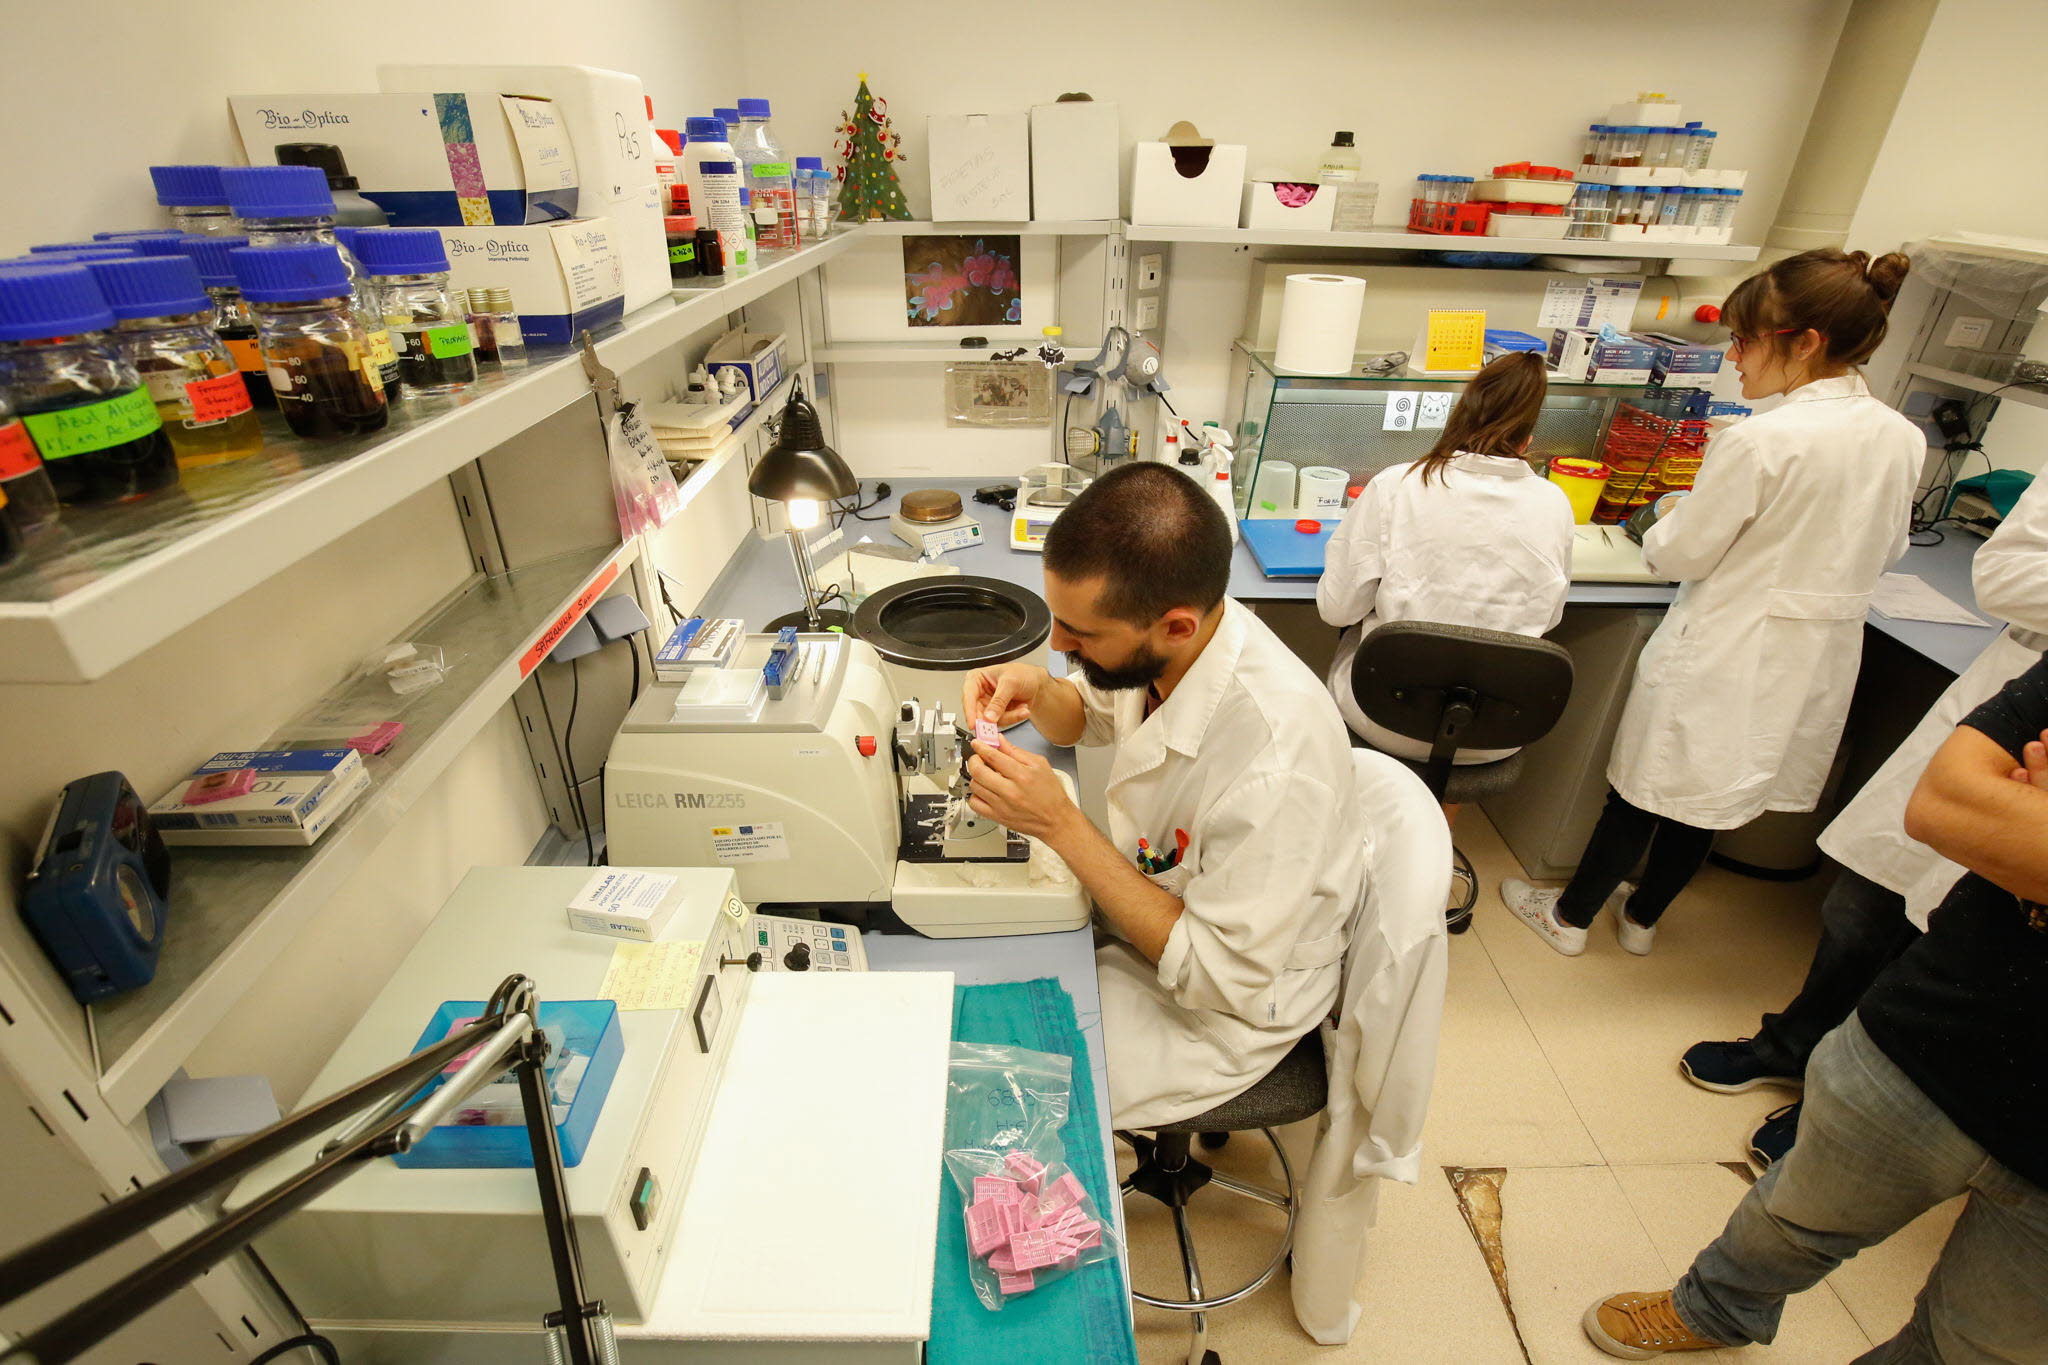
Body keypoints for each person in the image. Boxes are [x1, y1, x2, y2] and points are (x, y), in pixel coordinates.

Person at [1581, 655, 2048, 1360]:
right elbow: (1945, 804)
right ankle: (1713, 1308)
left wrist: (2026, 827)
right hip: (1936, 1033)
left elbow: (1993, 818)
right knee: (1794, 1215)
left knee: (1972, 1348)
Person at [1503, 249, 1922, 958]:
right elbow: (1889, 550)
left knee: (1645, 788)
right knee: (1717, 793)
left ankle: (1569, 919)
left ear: (1807, 342)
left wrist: (1666, 513)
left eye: (1745, 339)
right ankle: (1643, 919)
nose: (1734, 357)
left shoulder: (1763, 439)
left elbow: (1680, 552)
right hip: (1810, 654)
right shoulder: (1901, 437)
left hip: (1731, 639)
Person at [958, 462, 1364, 1129]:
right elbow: (1091, 711)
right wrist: (1040, 688)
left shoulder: (1275, 755)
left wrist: (1059, 823)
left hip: (1225, 1008)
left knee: (1001, 1091)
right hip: (1156, 924)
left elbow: (1215, 972)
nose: (1058, 641)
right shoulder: (1173, 648)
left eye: (1079, 633)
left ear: (1176, 625)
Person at [1680, 471, 2048, 1168]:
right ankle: (1792, 1042)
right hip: (2007, 704)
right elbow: (2004, 574)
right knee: (1861, 904)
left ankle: (1837, 1103)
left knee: (1953, 936)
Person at [1317, 350, 1576, 767]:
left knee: (1356, 633)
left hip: (1384, 715)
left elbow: (1336, 608)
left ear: (1457, 419)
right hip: (1496, 728)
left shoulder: (1397, 485)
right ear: (1528, 440)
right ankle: (1439, 830)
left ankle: (1378, 819)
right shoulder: (1555, 504)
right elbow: (1547, 620)